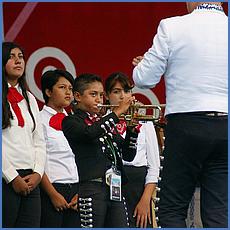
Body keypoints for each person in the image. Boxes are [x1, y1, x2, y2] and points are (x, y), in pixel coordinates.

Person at [132, 2, 227, 228]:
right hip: (226, 126)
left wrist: (145, 63)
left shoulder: (172, 27)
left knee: (172, 209)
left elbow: (143, 79)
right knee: (220, 213)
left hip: (187, 125)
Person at [62, 73, 139, 228]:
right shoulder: (71, 121)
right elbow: (89, 133)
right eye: (93, 94)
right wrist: (118, 112)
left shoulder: (103, 123)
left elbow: (129, 155)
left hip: (115, 188)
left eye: (101, 95)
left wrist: (132, 131)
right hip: (92, 188)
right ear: (77, 96)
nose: (99, 99)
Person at [104, 72, 160, 228]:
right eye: (116, 91)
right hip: (109, 186)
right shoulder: (102, 123)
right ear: (107, 96)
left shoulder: (144, 121)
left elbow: (154, 167)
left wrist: (145, 200)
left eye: (127, 91)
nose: (123, 96)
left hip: (138, 188)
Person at [2, 42, 46, 227]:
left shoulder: (30, 99)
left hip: (31, 180)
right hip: (6, 179)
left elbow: (39, 141)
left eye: (20, 56)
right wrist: (12, 177)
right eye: (12, 56)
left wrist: (38, 173)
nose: (18, 60)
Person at [39, 69, 80, 227]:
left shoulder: (75, 121)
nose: (68, 92)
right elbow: (38, 161)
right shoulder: (39, 120)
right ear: (48, 91)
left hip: (76, 192)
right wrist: (53, 194)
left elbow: (82, 158)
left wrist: (80, 192)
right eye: (62, 88)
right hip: (52, 190)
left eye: (70, 88)